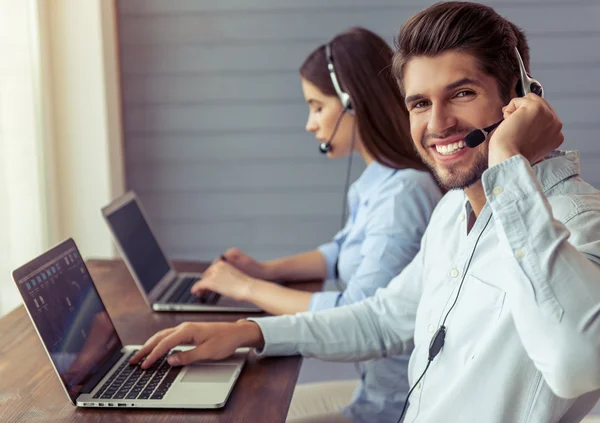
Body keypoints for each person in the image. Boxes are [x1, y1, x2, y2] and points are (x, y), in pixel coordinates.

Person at [131, 3, 600, 422]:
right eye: (420, 103)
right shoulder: (454, 214)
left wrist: (509, 160)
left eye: (461, 94)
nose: (437, 125)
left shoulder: (581, 222)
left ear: (520, 97)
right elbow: (382, 320)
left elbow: (577, 362)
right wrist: (249, 331)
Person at [191, 27, 442, 423]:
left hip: (391, 408)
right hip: (372, 395)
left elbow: (354, 313)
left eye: (317, 106)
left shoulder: (403, 195)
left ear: (351, 103)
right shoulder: (379, 182)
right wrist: (268, 270)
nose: (310, 123)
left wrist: (247, 289)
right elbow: (340, 252)